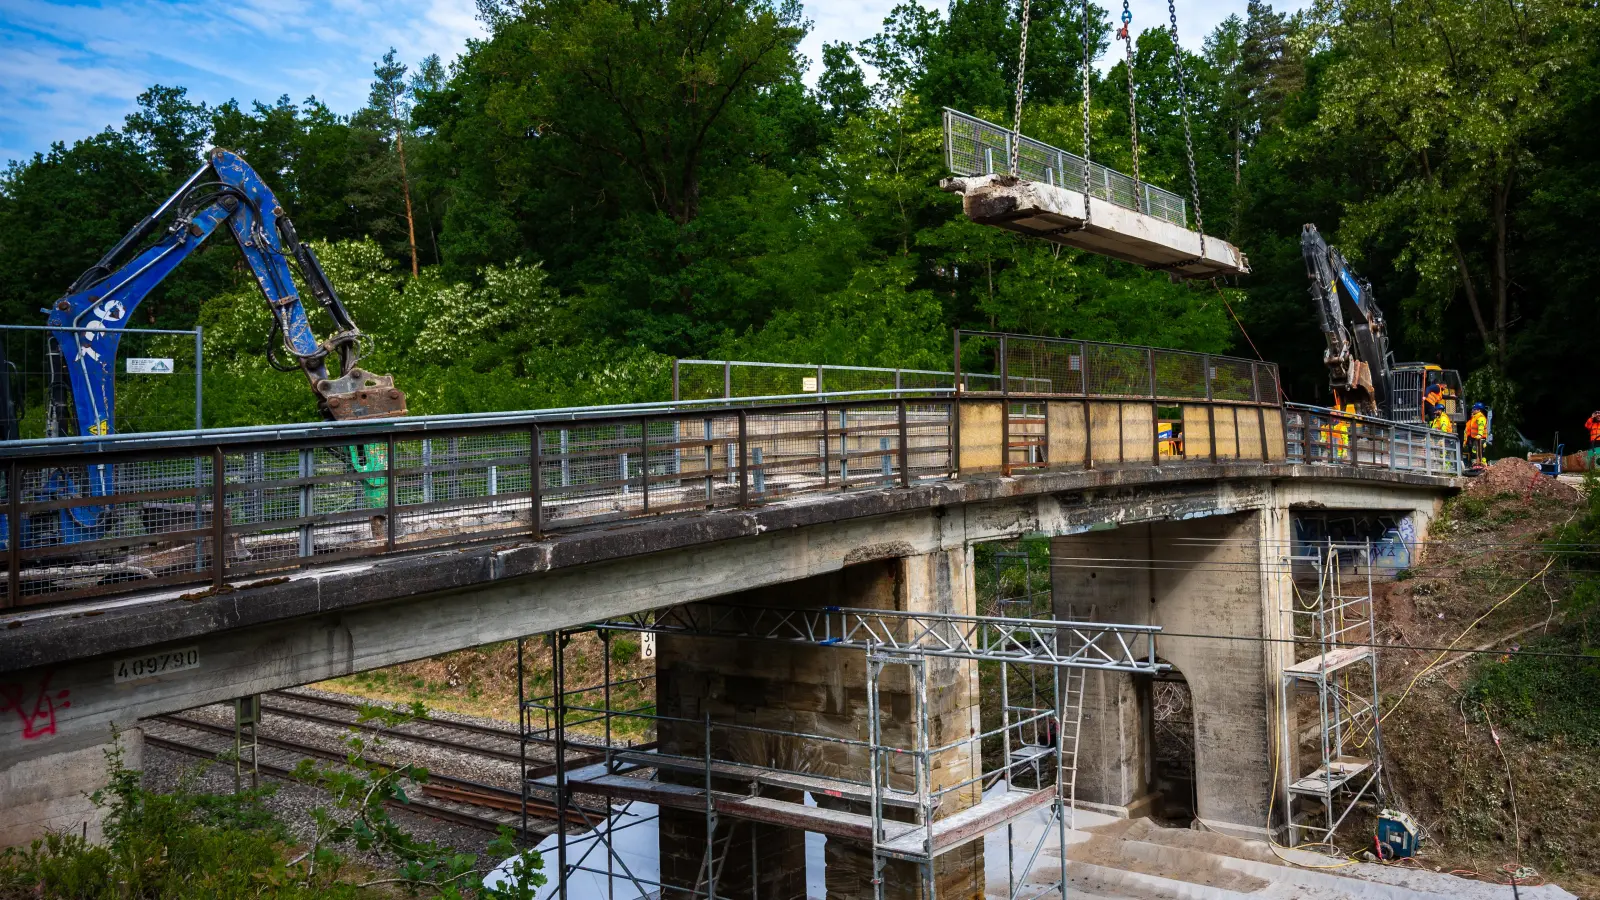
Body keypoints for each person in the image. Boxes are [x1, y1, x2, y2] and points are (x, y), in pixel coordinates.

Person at [1463, 402, 1489, 467]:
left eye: (1474, 409)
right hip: (1475, 438)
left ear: (1479, 410)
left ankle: (1482, 464)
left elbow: (1481, 426)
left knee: (1480, 452)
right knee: (1474, 451)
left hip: (1481, 438)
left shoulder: (1480, 417)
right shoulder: (1475, 417)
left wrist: (1480, 434)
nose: (1473, 410)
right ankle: (1475, 464)